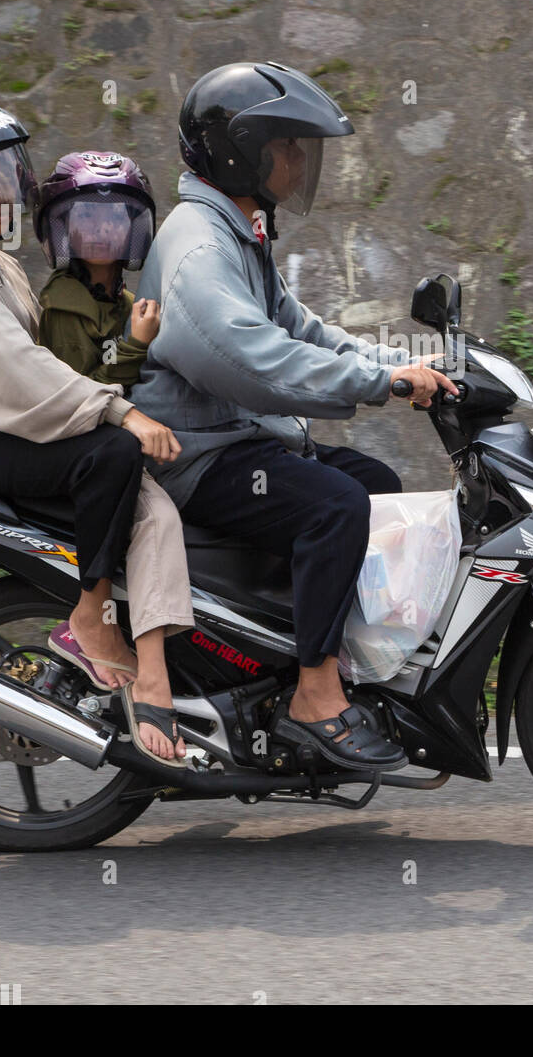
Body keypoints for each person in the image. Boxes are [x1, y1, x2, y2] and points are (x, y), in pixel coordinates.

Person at [126, 61, 458, 771]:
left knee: (374, 482)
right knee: (336, 505)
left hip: (235, 440)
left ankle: (296, 653)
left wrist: (399, 365)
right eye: (290, 145)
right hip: (196, 455)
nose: (301, 161)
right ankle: (311, 696)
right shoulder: (200, 247)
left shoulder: (237, 230)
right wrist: (380, 384)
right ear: (242, 149)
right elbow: (254, 361)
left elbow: (301, 328)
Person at [0, 104, 191, 767]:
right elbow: (17, 372)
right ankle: (92, 619)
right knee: (111, 452)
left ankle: (160, 672)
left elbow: (47, 364)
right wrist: (118, 412)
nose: (3, 188)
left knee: (152, 505)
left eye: (7, 170)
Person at [32, 149, 192, 764]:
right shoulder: (65, 304)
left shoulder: (127, 301)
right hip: (88, 445)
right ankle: (153, 677)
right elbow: (84, 385)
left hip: (120, 439)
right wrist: (133, 345)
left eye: (115, 220)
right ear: (62, 232)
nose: (102, 231)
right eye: (87, 220)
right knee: (160, 521)